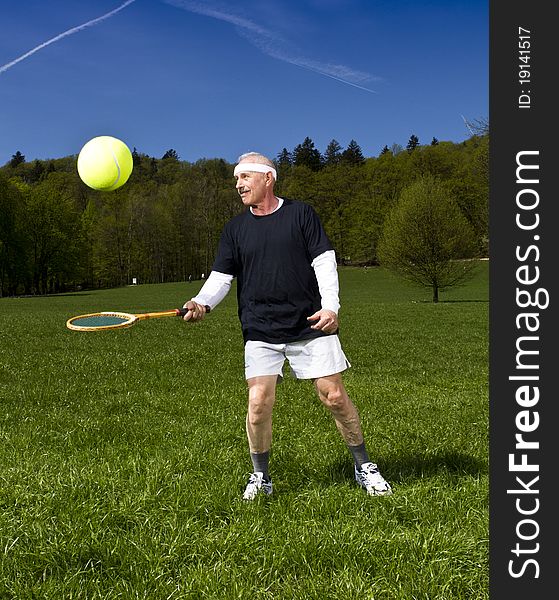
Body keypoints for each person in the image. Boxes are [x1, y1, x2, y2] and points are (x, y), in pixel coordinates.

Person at [183, 152, 392, 500]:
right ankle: (261, 477)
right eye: (236, 180)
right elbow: (221, 277)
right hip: (260, 328)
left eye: (245, 177)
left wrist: (331, 308)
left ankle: (363, 466)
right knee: (258, 403)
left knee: (335, 397)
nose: (238, 185)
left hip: (310, 323)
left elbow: (325, 263)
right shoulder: (235, 229)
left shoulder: (301, 214)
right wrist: (201, 302)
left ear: (268, 179)